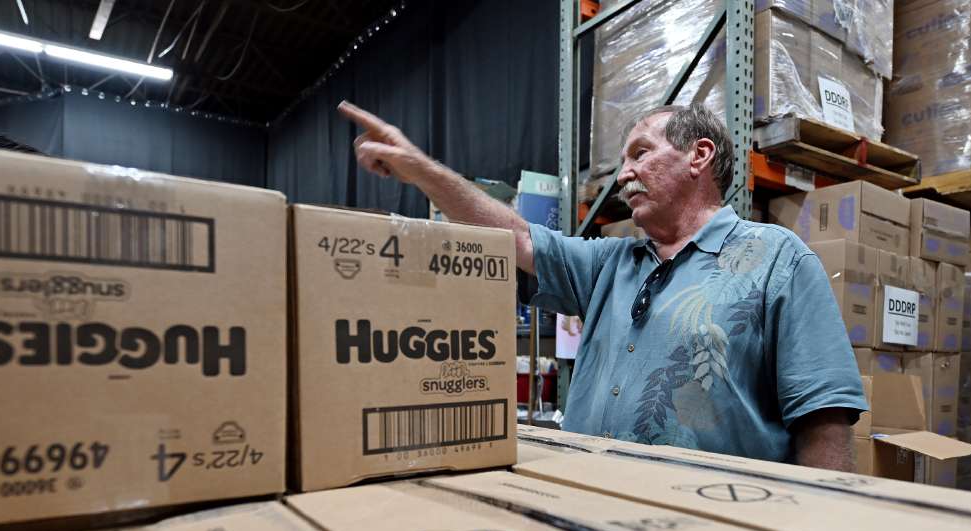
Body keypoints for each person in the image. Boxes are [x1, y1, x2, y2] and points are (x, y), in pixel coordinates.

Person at [338, 100, 866, 470]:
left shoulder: (777, 260)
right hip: (589, 513)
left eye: (640, 153)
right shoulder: (609, 264)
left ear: (698, 157)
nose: (622, 174)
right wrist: (422, 170)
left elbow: (824, 420)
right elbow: (516, 238)